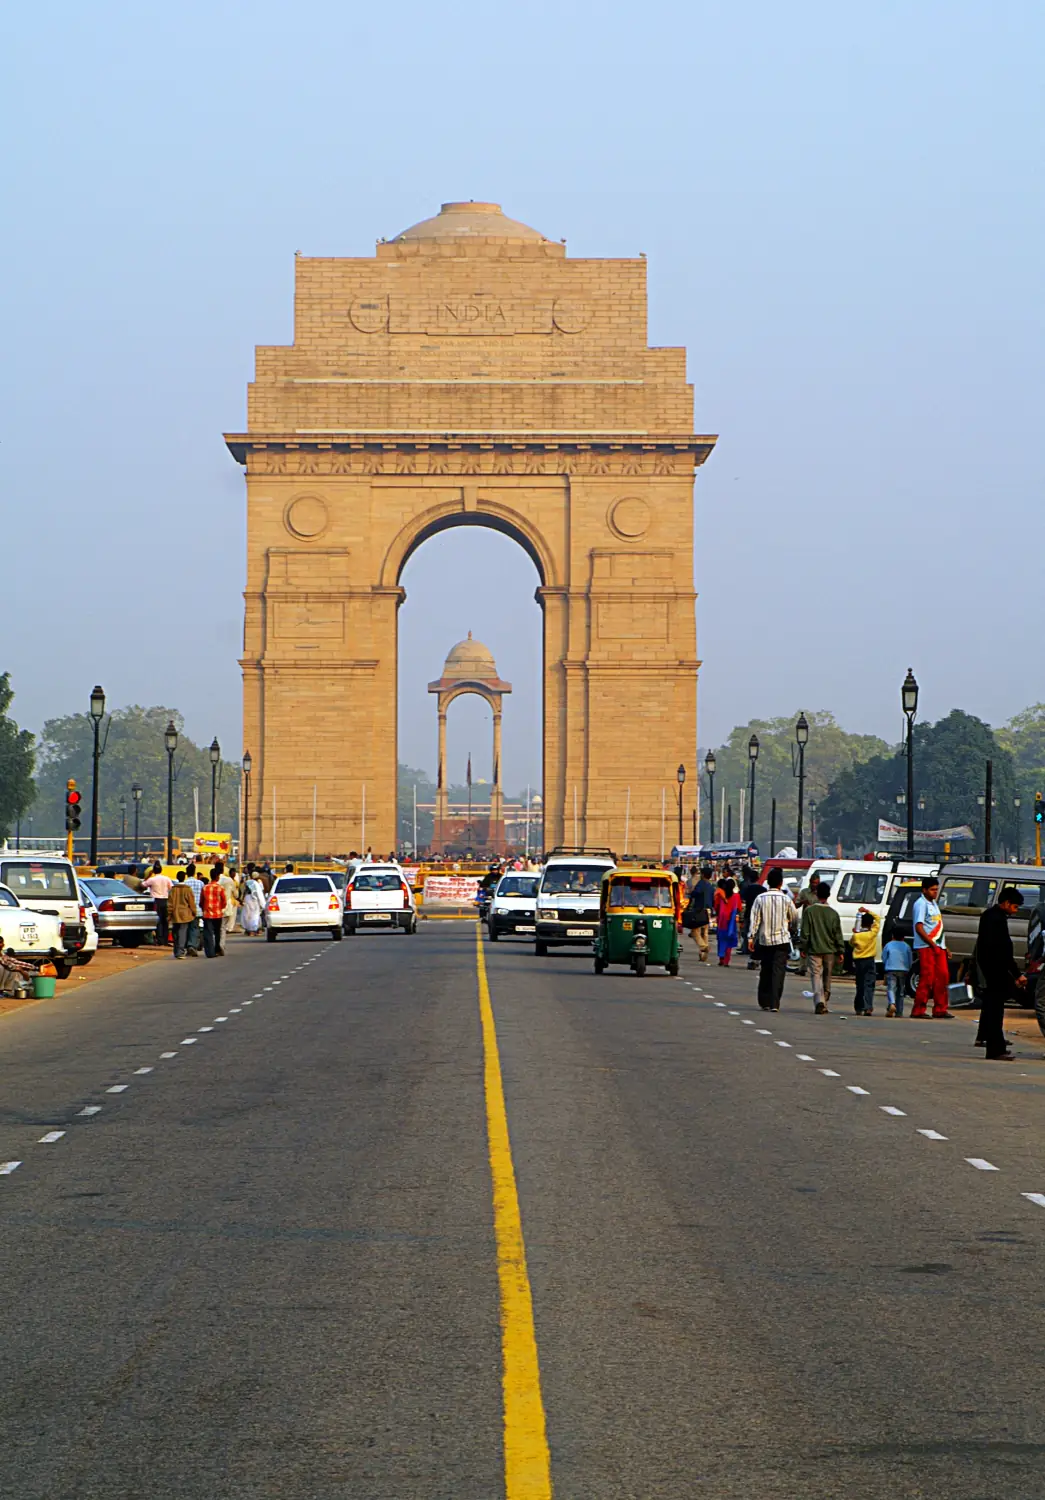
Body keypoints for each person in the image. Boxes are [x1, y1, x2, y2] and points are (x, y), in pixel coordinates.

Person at [974, 887, 1026, 1060]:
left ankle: (994, 1044)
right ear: (1006, 903)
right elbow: (1003, 950)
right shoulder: (996, 919)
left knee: (991, 1010)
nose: (1015, 910)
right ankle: (996, 1049)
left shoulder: (990, 916)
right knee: (995, 1012)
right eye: (1015, 907)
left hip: (990, 969)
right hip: (995, 971)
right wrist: (1017, 974)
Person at [748, 867, 798, 1010]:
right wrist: (791, 929)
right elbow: (794, 918)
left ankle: (764, 1001)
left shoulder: (760, 899)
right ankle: (775, 1002)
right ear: (781, 883)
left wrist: (751, 938)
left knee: (766, 969)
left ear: (768, 883)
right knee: (778, 972)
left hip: (765, 940)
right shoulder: (786, 899)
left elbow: (755, 920)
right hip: (782, 940)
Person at [911, 876, 952, 1019]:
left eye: (936, 889)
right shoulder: (920, 904)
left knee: (943, 977)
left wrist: (944, 947)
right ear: (924, 890)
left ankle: (940, 1008)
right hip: (926, 946)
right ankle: (918, 1010)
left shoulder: (934, 904)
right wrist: (932, 944)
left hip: (938, 946)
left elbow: (937, 927)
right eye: (932, 890)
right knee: (927, 978)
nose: (935, 892)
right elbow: (919, 927)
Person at [800, 882, 844, 1014]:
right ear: (829, 895)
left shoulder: (809, 911)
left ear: (817, 894)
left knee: (816, 975)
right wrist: (840, 950)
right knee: (827, 976)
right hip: (830, 950)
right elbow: (838, 934)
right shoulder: (833, 914)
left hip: (814, 949)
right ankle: (825, 998)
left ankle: (819, 1001)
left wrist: (803, 948)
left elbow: (805, 932)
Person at [682, 864, 716, 963]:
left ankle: (703, 947)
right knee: (704, 933)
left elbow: (695, 894)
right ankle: (703, 955)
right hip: (708, 910)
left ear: (703, 875)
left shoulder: (701, 883)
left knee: (694, 931)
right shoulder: (710, 886)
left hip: (699, 910)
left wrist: (691, 892)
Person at [851, 907, 881, 1015]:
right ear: (871, 924)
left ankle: (858, 1007)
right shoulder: (872, 933)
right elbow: (878, 919)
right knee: (869, 984)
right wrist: (868, 911)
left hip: (858, 961)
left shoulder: (856, 935)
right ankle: (868, 1006)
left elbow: (851, 943)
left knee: (860, 984)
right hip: (869, 960)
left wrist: (855, 931)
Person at [793, 871, 820, 976]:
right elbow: (795, 905)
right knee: (803, 944)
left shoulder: (820, 893)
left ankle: (814, 967)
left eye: (816, 883)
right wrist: (802, 902)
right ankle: (802, 967)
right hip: (806, 922)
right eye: (813, 883)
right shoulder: (804, 892)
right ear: (810, 882)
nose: (815, 885)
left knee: (815, 945)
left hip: (816, 923)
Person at [167, 870, 198, 960]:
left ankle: (176, 951)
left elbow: (170, 903)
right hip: (185, 915)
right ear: (184, 878)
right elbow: (191, 903)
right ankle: (180, 952)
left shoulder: (173, 890)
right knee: (182, 932)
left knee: (176, 932)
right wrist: (194, 912)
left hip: (175, 914)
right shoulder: (187, 889)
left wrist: (168, 914)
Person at [882, 930, 913, 1018]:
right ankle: (899, 1011)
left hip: (891, 969)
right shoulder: (907, 946)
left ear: (893, 936)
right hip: (903, 970)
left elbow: (884, 957)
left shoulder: (888, 945)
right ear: (903, 937)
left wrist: (885, 966)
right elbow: (910, 959)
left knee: (891, 988)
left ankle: (892, 1003)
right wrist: (908, 968)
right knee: (900, 991)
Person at [739, 866, 764, 970]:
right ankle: (756, 951)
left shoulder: (747, 889)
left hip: (749, 913)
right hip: (760, 915)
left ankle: (746, 948)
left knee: (748, 932)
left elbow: (743, 899)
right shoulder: (763, 889)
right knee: (758, 934)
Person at [713, 877, 742, 966]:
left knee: (721, 940)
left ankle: (721, 959)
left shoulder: (721, 896)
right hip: (731, 921)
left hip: (722, 920)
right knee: (729, 941)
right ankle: (726, 961)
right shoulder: (736, 896)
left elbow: (716, 906)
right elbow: (739, 908)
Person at [142, 861, 173, 945]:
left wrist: (148, 876)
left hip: (156, 901)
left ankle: (160, 940)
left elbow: (142, 885)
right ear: (161, 870)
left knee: (158, 921)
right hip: (165, 900)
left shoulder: (152, 879)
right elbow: (171, 888)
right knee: (165, 921)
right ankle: (165, 940)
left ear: (154, 871)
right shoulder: (166, 878)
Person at [200, 868, 227, 958]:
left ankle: (210, 952)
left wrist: (204, 908)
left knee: (208, 933)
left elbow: (201, 902)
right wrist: (220, 908)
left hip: (207, 914)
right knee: (217, 933)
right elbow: (224, 901)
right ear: (217, 877)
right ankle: (217, 949)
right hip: (218, 914)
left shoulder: (205, 887)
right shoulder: (220, 888)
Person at [184, 862, 205, 957]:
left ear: (186, 873)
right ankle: (192, 945)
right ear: (194, 872)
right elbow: (203, 897)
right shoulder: (200, 883)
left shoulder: (184, 884)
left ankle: (187, 946)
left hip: (186, 910)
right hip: (197, 910)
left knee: (185, 928)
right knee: (194, 928)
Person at [218, 863, 239, 952]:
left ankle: (215, 945)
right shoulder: (228, 880)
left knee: (214, 927)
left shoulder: (214, 880)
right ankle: (221, 945)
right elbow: (236, 894)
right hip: (226, 905)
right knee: (222, 927)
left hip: (213, 907)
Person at [240, 868, 264, 935]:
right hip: (254, 900)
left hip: (247, 899)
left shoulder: (248, 882)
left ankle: (249, 930)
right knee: (255, 915)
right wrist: (262, 903)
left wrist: (242, 900)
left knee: (248, 915)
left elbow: (244, 891)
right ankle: (253, 930)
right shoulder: (257, 883)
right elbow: (259, 893)